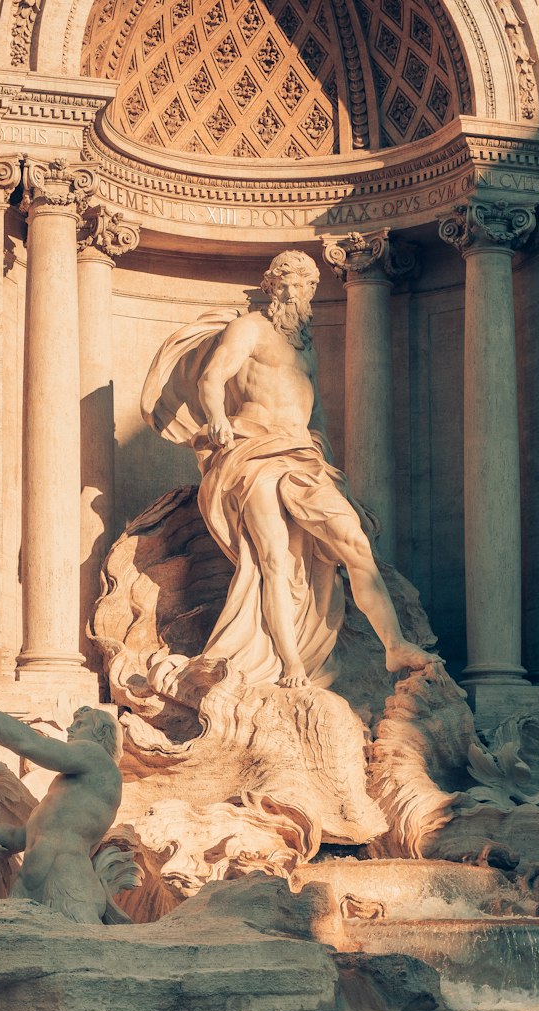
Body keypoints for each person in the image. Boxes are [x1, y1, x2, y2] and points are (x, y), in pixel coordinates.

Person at [141, 250, 436, 689]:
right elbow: (211, 377)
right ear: (270, 288)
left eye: (302, 285)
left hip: (303, 455)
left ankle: (393, 646)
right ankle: (290, 663)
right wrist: (217, 417)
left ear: (312, 292)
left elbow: (312, 413)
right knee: (274, 558)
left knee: (353, 539)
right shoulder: (250, 328)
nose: (292, 292)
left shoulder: (307, 350)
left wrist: (325, 458)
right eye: (284, 283)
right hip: (253, 451)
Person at [0, 663, 127, 923]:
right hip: (30, 887)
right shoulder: (70, 785)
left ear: (100, 733)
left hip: (68, 886)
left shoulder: (96, 757)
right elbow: (21, 836)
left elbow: (27, 742)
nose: (69, 729)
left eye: (80, 723)